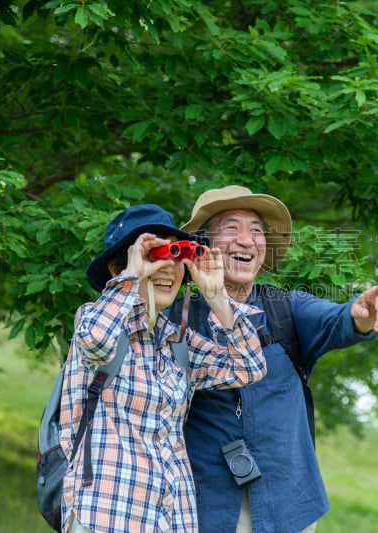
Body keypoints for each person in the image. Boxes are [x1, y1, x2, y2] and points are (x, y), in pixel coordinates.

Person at [173, 185, 378, 533]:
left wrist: (362, 313)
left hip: (289, 505)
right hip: (203, 506)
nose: (246, 240)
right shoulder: (176, 317)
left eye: (257, 230)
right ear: (203, 243)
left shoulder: (285, 307)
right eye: (231, 228)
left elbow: (338, 319)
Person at [59, 203, 267, 533]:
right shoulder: (95, 319)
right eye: (157, 254)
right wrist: (133, 274)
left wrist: (216, 295)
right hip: (107, 516)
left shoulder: (177, 343)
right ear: (119, 267)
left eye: (177, 254)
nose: (169, 266)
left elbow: (249, 368)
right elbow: (97, 341)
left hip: (171, 518)